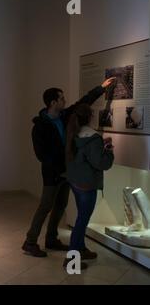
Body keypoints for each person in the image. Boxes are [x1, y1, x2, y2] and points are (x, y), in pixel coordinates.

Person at [22, 78, 116, 257]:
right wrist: (60, 168)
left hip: (67, 172)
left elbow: (83, 102)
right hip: (53, 174)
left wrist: (101, 88)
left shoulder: (64, 116)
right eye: (62, 98)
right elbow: (42, 155)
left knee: (60, 205)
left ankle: (51, 239)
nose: (65, 101)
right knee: (45, 206)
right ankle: (30, 241)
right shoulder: (40, 127)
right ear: (53, 102)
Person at [64, 103, 114, 269]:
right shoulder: (93, 138)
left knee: (81, 218)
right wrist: (108, 151)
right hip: (86, 185)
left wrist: (101, 147)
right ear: (90, 117)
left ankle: (81, 249)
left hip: (75, 182)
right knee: (82, 221)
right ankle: (71, 260)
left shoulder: (72, 133)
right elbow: (101, 163)